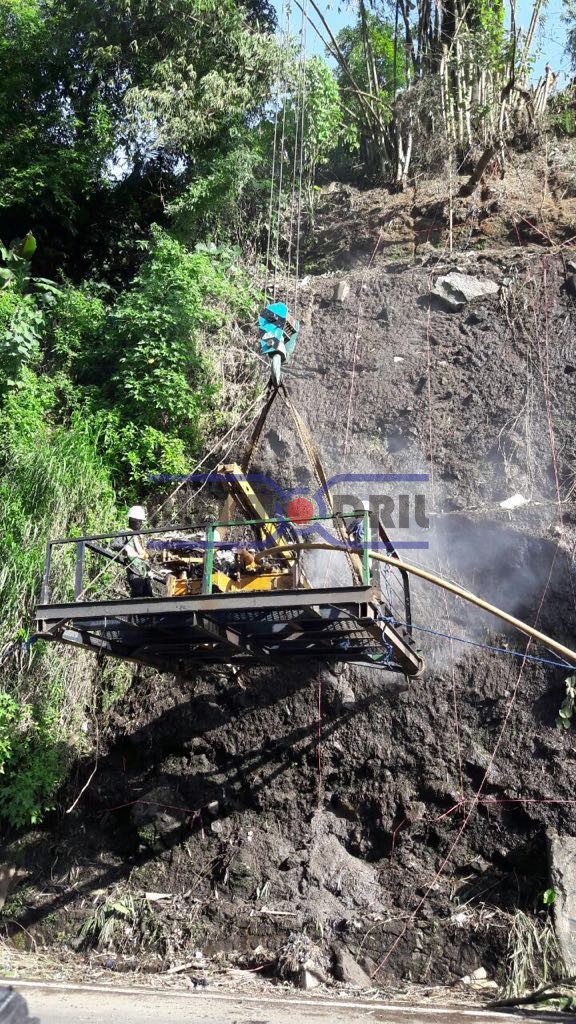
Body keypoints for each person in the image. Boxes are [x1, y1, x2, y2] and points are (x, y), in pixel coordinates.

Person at [124, 505, 153, 598]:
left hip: (144, 569)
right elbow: (115, 545)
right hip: (134, 569)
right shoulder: (126, 533)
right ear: (132, 520)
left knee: (148, 593)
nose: (140, 523)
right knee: (138, 592)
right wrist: (126, 550)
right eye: (139, 521)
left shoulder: (139, 535)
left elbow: (144, 550)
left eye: (141, 521)